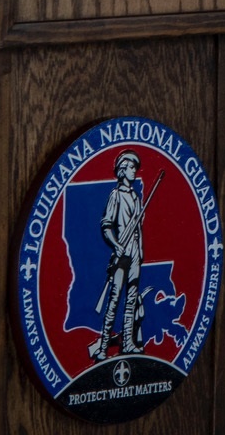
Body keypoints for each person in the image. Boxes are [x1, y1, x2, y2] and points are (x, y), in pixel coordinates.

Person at [92, 150, 145, 360]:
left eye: (135, 168)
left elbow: (139, 229)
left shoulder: (136, 197)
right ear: (122, 170)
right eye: (131, 167)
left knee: (131, 299)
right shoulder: (116, 195)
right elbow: (106, 225)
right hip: (121, 254)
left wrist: (139, 253)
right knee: (114, 300)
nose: (135, 171)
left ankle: (128, 344)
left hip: (135, 254)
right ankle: (104, 347)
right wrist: (116, 246)